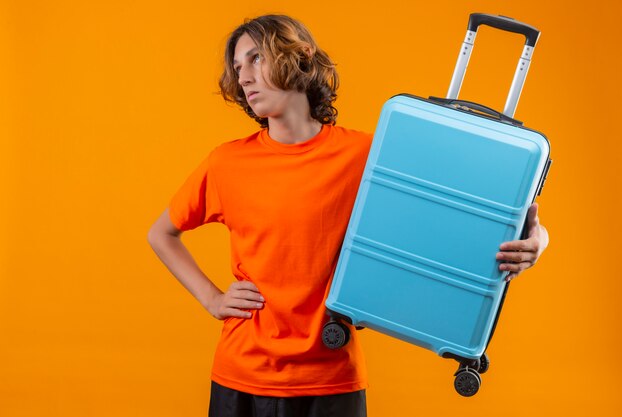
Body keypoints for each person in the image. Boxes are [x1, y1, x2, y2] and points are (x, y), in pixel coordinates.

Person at [147, 14, 549, 417]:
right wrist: (212, 299)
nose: (244, 78)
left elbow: (453, 206)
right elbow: (161, 234)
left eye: (256, 59)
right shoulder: (227, 163)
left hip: (333, 375)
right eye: (237, 68)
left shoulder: (367, 156)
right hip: (242, 375)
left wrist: (537, 240)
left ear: (302, 56)